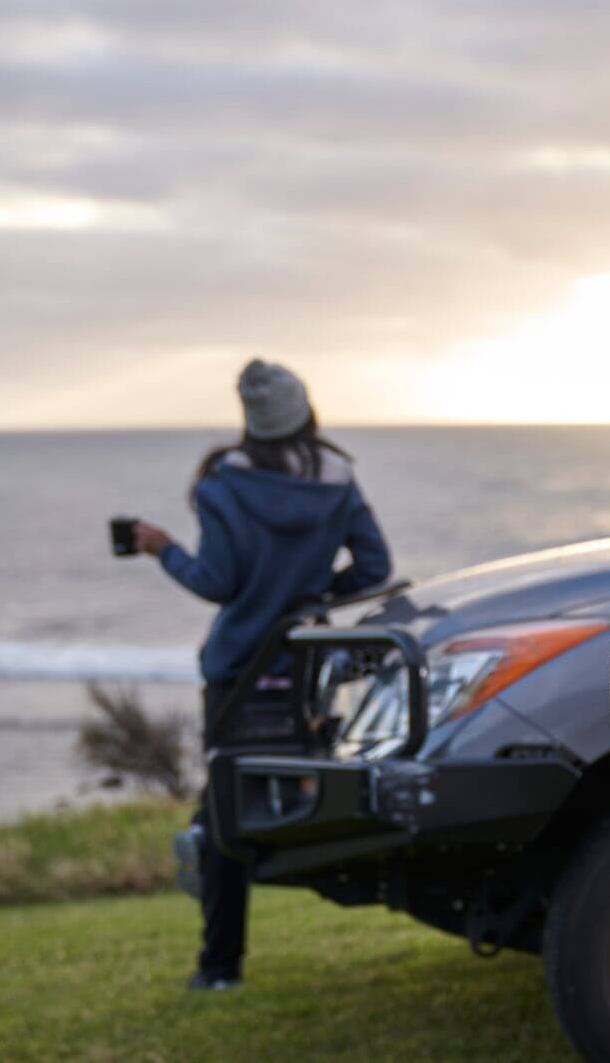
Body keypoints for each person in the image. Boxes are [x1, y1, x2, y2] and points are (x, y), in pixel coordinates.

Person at [132, 358, 392, 992]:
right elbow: (374, 566)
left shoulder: (222, 485)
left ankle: (219, 968)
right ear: (305, 412)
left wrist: (161, 548)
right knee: (301, 790)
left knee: (223, 811)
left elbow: (215, 581)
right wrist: (312, 600)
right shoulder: (337, 477)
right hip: (303, 668)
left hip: (236, 673)